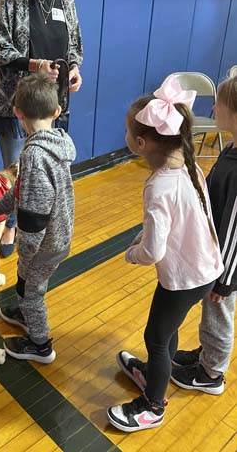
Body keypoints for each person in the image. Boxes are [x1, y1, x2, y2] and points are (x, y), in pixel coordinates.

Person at [106, 75, 223, 433]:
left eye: (127, 133)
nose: (125, 137)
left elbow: (154, 250)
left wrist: (134, 253)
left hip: (184, 278)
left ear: (140, 143)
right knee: (167, 330)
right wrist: (148, 237)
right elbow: (184, 220)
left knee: (156, 338)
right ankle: (158, 372)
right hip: (205, 269)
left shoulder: (158, 186)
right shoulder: (188, 163)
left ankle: (153, 405)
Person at [0, 0, 83, 258]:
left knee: (46, 172)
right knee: (18, 172)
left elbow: (74, 46)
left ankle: (43, 227)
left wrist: (74, 70)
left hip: (53, 105)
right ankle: (11, 224)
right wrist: (34, 66)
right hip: (16, 103)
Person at [0, 73, 76, 363]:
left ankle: (40, 344)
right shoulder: (59, 144)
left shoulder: (34, 156)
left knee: (32, 291)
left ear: (16, 112)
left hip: (44, 243)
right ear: (57, 112)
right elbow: (21, 193)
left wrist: (27, 249)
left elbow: (34, 214)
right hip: (58, 234)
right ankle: (25, 309)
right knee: (27, 282)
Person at [171, 75, 237, 395]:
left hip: (226, 266)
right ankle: (206, 354)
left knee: (219, 311)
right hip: (217, 258)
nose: (213, 108)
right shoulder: (231, 151)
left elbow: (235, 233)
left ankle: (212, 373)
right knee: (211, 313)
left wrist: (224, 280)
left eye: (219, 105)